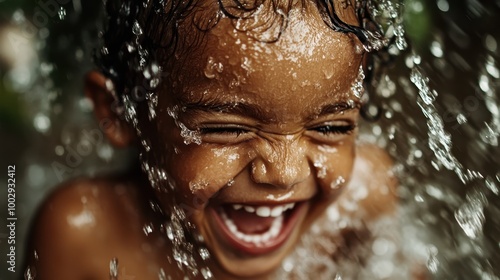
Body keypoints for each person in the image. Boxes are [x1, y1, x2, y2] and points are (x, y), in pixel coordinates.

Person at [24, 0, 399, 278]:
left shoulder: (363, 199)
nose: (284, 173)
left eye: (330, 128)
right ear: (121, 110)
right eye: (228, 129)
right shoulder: (84, 234)